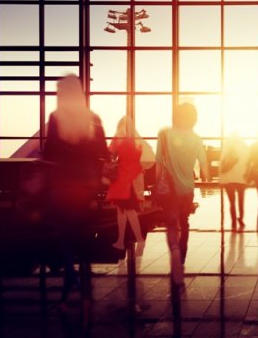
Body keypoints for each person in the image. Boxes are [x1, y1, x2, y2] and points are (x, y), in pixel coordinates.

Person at [43, 75, 109, 305]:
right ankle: (83, 282)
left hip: (62, 183)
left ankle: (71, 278)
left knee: (65, 233)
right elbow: (103, 150)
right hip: (86, 184)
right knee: (83, 232)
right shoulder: (92, 118)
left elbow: (49, 151)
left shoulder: (56, 117)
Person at [156, 102, 209, 285]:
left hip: (169, 190)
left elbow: (158, 163)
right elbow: (204, 166)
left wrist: (157, 184)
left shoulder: (164, 134)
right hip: (187, 189)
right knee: (184, 221)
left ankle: (175, 250)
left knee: (171, 224)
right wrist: (205, 176)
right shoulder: (197, 139)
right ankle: (183, 254)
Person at [107, 116, 149, 253]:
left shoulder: (118, 139)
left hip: (122, 179)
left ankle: (137, 239)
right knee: (125, 210)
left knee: (125, 210)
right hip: (132, 178)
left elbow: (109, 154)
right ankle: (122, 240)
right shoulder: (136, 140)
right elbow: (143, 157)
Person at [219, 132, 250, 231]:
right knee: (241, 201)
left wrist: (221, 178)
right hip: (241, 178)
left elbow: (222, 162)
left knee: (232, 202)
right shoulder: (245, 147)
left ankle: (233, 221)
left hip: (229, 179)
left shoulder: (226, 147)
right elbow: (248, 163)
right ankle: (241, 219)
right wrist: (247, 177)